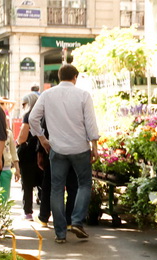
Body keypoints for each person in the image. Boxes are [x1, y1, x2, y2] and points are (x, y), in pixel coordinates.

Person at [29, 63, 99, 244]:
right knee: (84, 184)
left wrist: (43, 140)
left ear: (59, 77)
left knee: (56, 189)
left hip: (57, 148)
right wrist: (95, 146)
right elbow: (90, 123)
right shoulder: (83, 95)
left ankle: (60, 234)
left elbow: (32, 118)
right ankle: (76, 221)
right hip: (80, 149)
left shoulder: (47, 94)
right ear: (75, 77)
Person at [15, 92, 42, 220]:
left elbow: (22, 137)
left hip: (28, 154)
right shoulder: (45, 115)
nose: (23, 106)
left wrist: (17, 142)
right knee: (43, 182)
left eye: (24, 103)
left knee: (27, 184)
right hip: (43, 151)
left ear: (29, 103)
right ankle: (45, 211)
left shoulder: (28, 116)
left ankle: (28, 212)